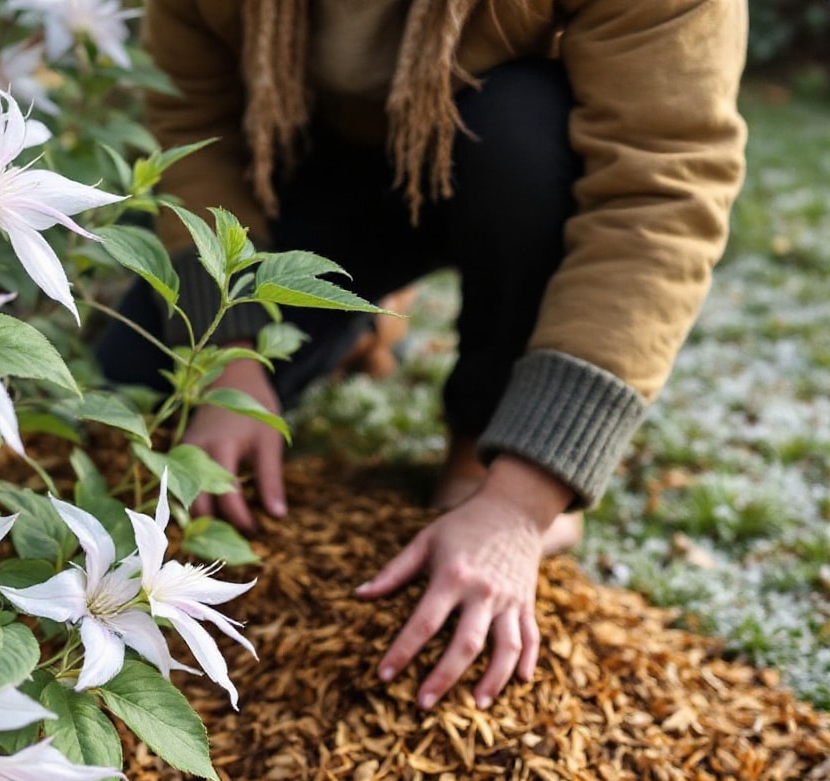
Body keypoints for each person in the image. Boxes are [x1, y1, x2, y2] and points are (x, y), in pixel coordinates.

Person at [96, 0, 748, 709]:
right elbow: (194, 123)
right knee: (139, 376)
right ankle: (362, 316)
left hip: (507, 158)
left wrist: (522, 500)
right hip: (311, 152)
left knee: (524, 128)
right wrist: (228, 358)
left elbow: (660, 191)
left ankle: (486, 446)